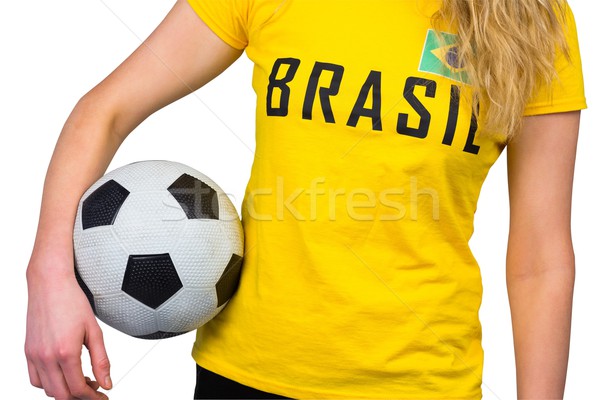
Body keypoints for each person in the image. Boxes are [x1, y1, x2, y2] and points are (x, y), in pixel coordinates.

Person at [24, 0, 586, 399]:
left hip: (421, 385)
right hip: (243, 381)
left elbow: (541, 259)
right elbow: (106, 110)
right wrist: (49, 274)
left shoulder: (536, 19)